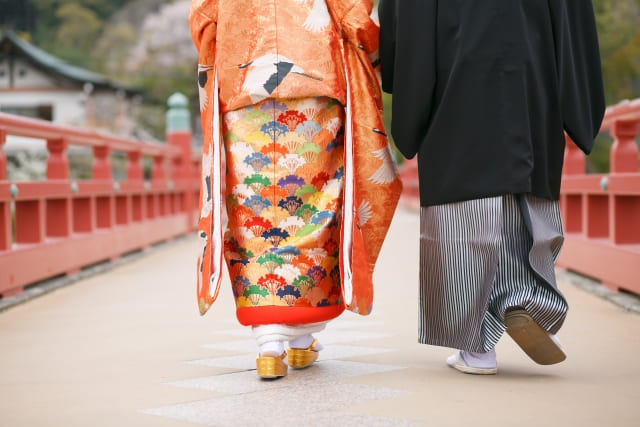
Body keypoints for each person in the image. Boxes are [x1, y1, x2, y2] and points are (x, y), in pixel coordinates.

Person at [379, 0, 605, 374]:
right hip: (532, 77)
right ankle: (526, 299)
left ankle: (476, 347)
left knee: (462, 207)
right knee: (525, 187)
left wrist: (403, 76)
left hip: (458, 77)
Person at [189, 0, 402, 379]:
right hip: (313, 86)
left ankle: (272, 341)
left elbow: (204, 19)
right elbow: (353, 11)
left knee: (252, 211)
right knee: (315, 208)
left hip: (243, 93)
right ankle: (300, 333)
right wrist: (379, 59)